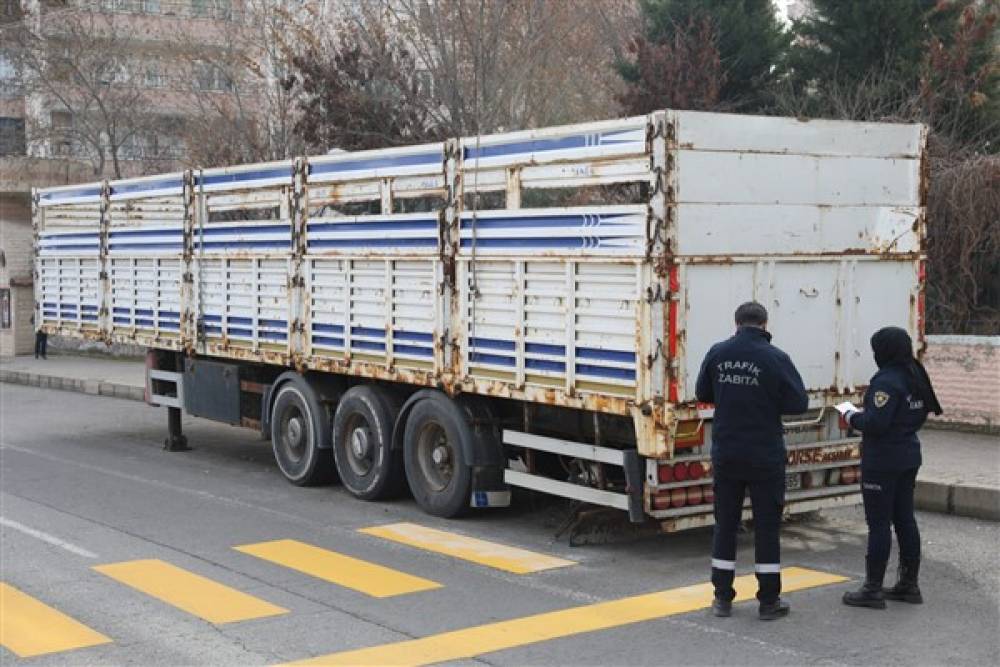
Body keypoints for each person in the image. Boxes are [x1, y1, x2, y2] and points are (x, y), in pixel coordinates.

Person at [696, 301, 809, 621]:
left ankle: (722, 598)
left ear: (736, 323)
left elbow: (702, 391)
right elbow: (798, 402)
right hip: (764, 455)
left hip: (728, 452)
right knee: (767, 527)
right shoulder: (775, 358)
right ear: (765, 323)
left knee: (726, 526)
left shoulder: (718, 353)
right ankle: (768, 601)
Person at [840, 326, 942, 609]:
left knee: (879, 524)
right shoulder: (915, 373)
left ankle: (872, 589)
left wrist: (851, 417)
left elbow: (876, 423)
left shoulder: (886, 381)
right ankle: (909, 585)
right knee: (905, 519)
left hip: (882, 460)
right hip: (909, 455)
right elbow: (926, 410)